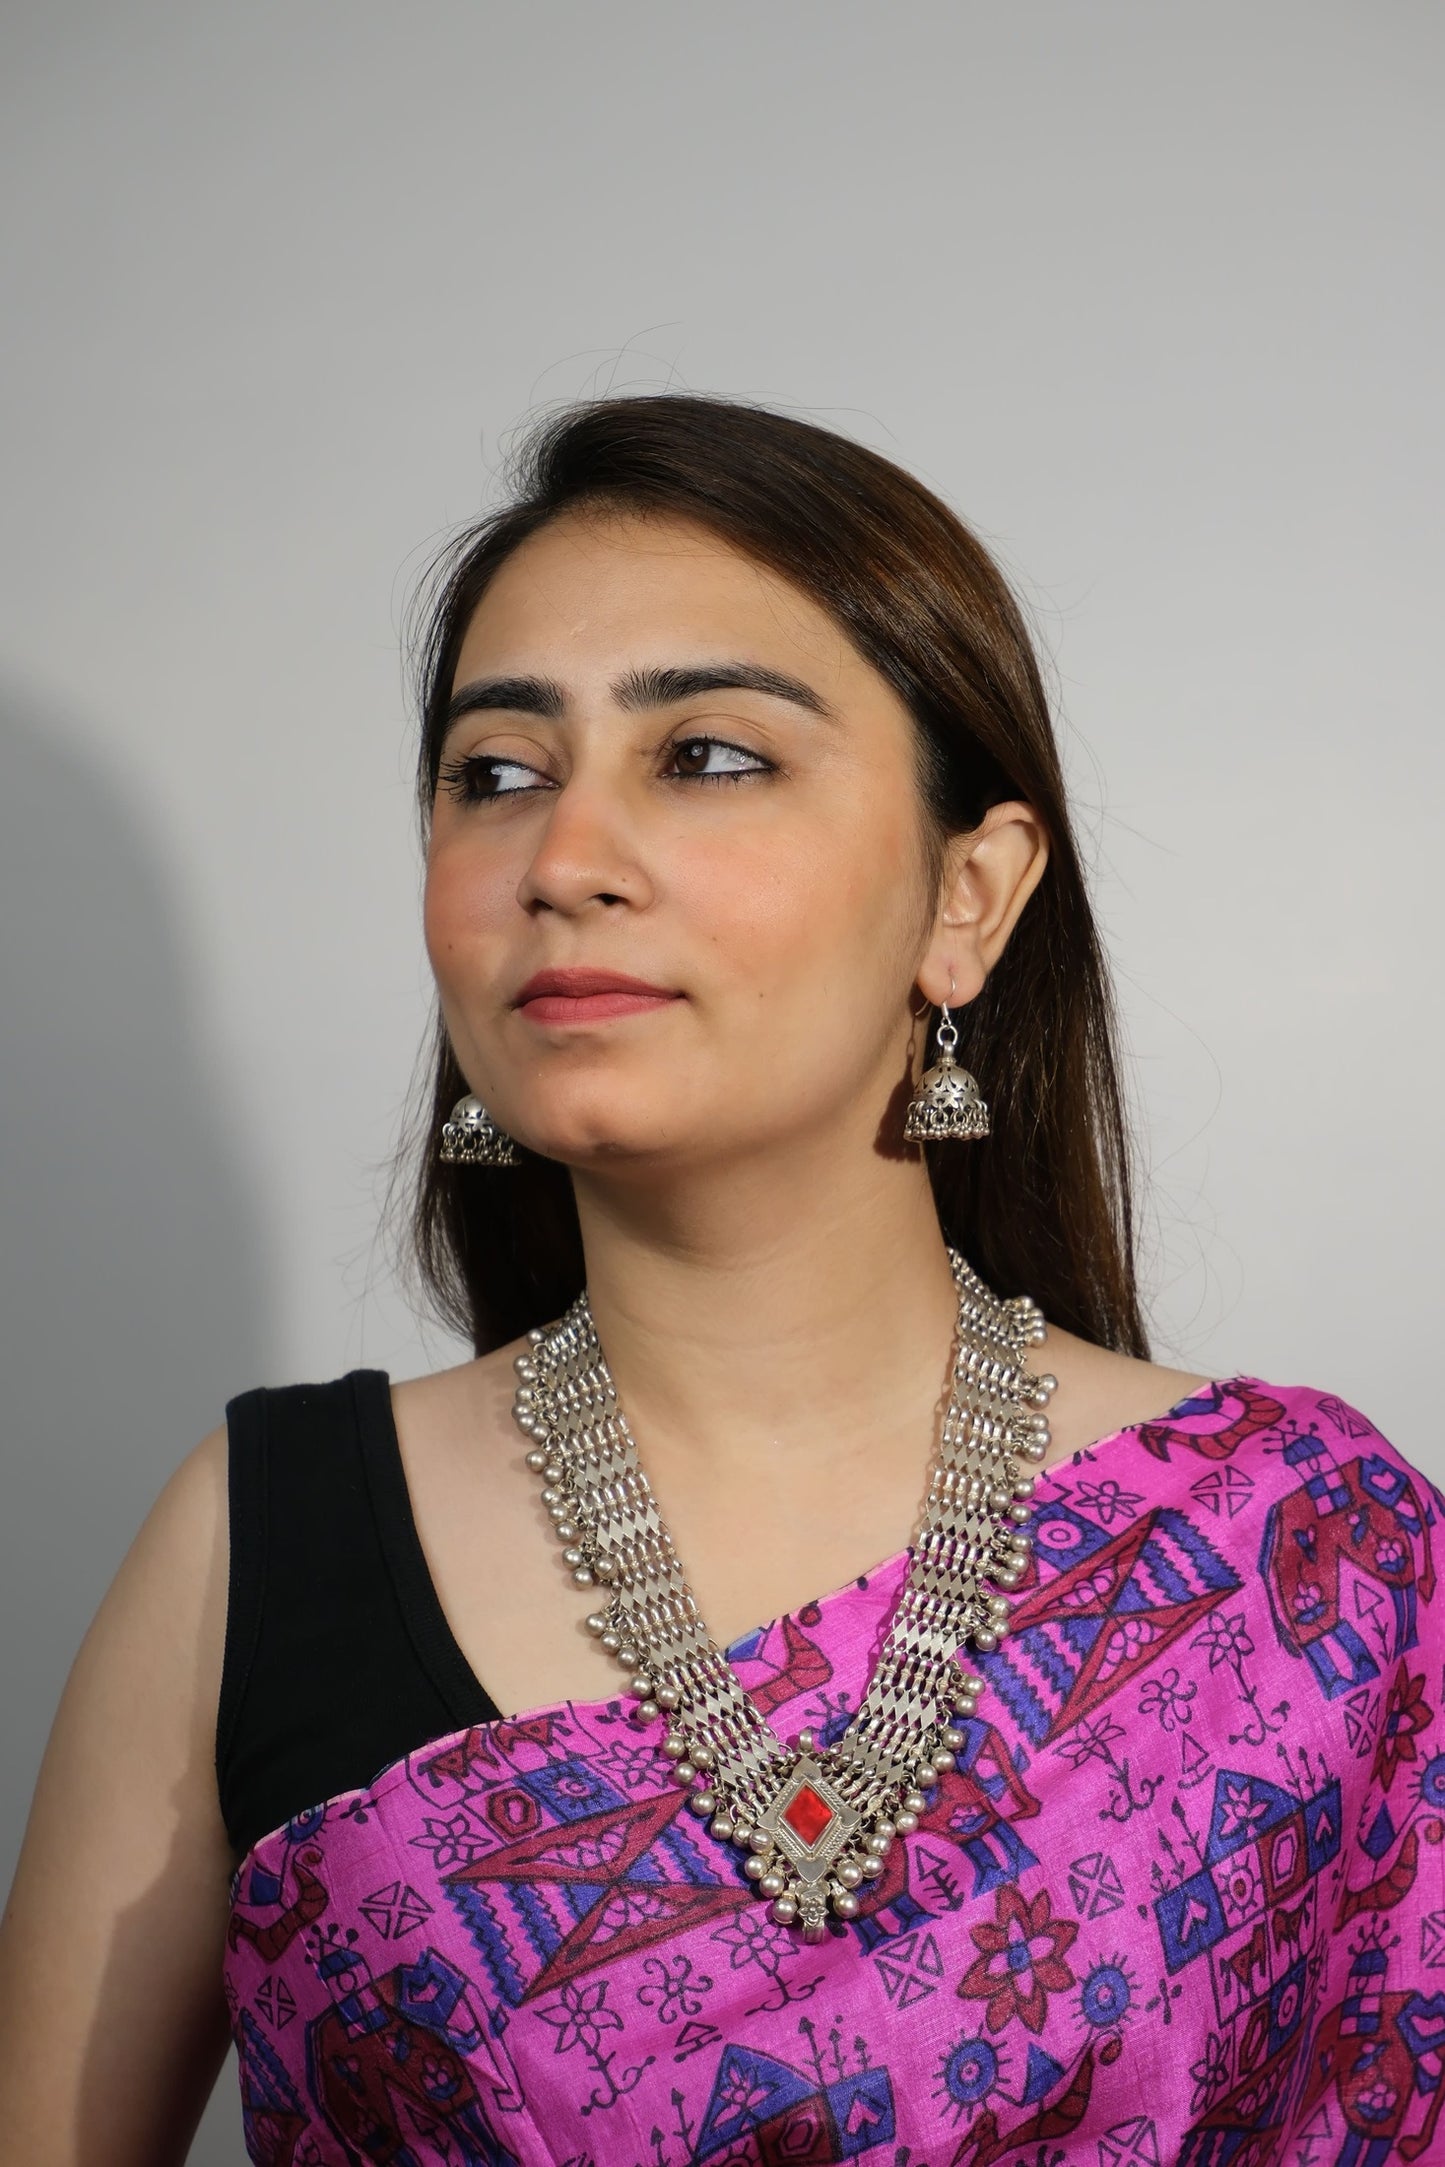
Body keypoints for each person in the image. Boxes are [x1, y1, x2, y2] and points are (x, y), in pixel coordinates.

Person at [2, 394, 1441, 2166]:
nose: (564, 861)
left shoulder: (1306, 1561)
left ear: (966, 899)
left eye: (709, 755)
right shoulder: (259, 1539)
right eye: (496, 776)